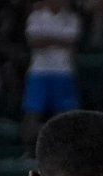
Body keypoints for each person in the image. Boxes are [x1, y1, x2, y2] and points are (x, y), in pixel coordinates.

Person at [22, 0, 81, 148]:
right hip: (39, 72)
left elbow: (72, 40)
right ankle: (28, 149)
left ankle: (66, 150)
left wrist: (47, 39)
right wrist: (59, 39)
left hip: (64, 72)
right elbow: (34, 41)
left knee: (66, 116)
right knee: (32, 113)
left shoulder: (72, 18)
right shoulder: (35, 16)